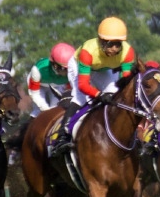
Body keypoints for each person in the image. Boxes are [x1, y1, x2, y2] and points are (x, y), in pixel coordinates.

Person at [50, 16, 136, 155]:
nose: (114, 49)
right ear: (101, 41)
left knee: (114, 94)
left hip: (102, 68)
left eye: (118, 44)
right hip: (79, 65)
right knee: (80, 98)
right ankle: (62, 135)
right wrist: (99, 95)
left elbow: (125, 80)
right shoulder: (88, 51)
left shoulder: (127, 52)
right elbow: (83, 85)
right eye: (111, 44)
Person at [27, 42, 75, 118]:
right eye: (65, 69)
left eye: (71, 66)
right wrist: (46, 111)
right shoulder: (38, 69)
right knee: (38, 111)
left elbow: (70, 92)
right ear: (55, 66)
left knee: (56, 108)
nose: (70, 71)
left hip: (57, 86)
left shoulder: (72, 71)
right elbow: (35, 94)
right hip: (39, 86)